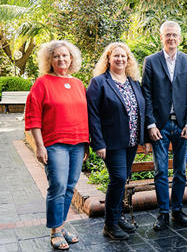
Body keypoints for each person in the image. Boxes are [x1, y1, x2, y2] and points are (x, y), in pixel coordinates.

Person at [25, 40, 89, 250]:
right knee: (58, 186)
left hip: (78, 144)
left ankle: (61, 227)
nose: (61, 59)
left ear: (71, 59)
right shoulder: (42, 83)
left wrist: (86, 144)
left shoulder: (79, 83)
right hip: (55, 144)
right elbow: (33, 116)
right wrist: (40, 146)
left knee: (70, 186)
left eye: (65, 55)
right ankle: (55, 231)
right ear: (49, 60)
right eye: (56, 56)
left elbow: (84, 116)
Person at [86, 42, 150, 240]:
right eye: (116, 56)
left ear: (128, 59)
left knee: (124, 178)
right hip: (111, 141)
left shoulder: (133, 82)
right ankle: (110, 224)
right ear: (108, 59)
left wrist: (145, 139)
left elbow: (142, 111)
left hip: (131, 140)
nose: (120, 59)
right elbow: (92, 114)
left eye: (123, 56)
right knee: (119, 178)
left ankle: (117, 215)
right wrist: (98, 143)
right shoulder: (99, 82)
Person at [142, 21, 187, 230]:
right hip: (161, 126)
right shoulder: (151, 61)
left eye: (175, 35)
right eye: (167, 35)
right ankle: (163, 213)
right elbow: (146, 94)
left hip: (183, 126)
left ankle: (177, 210)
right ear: (161, 37)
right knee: (160, 172)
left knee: (180, 171)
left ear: (180, 37)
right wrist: (150, 123)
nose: (171, 38)